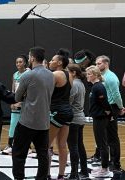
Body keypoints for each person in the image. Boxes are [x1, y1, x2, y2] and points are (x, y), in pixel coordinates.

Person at [12, 47, 54, 180]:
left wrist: (25, 95)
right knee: (43, 154)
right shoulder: (51, 75)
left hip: (27, 121)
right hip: (44, 122)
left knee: (19, 153)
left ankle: (19, 178)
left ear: (32, 58)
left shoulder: (27, 75)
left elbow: (17, 98)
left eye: (29, 57)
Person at [47, 49, 73, 180]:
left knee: (46, 144)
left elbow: (46, 92)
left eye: (52, 60)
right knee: (62, 145)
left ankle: (46, 174)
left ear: (59, 62)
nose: (50, 62)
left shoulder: (55, 74)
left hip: (56, 112)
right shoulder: (69, 74)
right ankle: (61, 175)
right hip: (67, 111)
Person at [96, 55, 124, 171]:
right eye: (96, 64)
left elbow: (117, 95)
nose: (97, 66)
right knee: (106, 136)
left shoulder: (111, 77)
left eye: (99, 64)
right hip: (105, 108)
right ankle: (107, 160)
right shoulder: (102, 76)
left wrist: (121, 107)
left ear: (106, 64)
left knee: (112, 137)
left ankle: (116, 163)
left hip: (112, 108)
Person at [85, 65, 112, 177]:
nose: (87, 76)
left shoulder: (98, 87)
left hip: (100, 118)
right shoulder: (95, 86)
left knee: (102, 144)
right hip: (97, 118)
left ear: (95, 75)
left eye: (89, 74)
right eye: (87, 74)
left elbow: (104, 102)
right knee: (100, 143)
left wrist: (108, 112)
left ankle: (105, 169)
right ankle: (103, 166)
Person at [2, 55, 29, 155]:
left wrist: (23, 102)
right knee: (13, 124)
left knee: (26, 126)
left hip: (26, 102)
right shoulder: (15, 74)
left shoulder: (28, 73)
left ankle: (28, 147)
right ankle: (10, 145)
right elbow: (13, 90)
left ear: (25, 63)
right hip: (17, 102)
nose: (18, 64)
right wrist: (13, 101)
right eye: (17, 62)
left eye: (20, 62)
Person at [66, 64, 88, 179]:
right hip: (80, 118)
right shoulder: (80, 84)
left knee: (73, 146)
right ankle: (84, 170)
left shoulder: (74, 84)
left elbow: (68, 102)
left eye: (67, 71)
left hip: (74, 119)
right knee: (80, 146)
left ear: (73, 73)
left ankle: (74, 173)